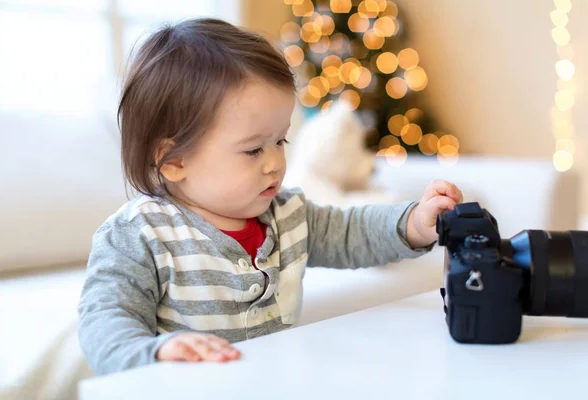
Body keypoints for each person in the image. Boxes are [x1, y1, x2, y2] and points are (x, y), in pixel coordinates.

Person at [77, 18, 463, 375]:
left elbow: (352, 233)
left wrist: (413, 224)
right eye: (252, 150)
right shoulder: (141, 235)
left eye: (280, 141)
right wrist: (155, 353)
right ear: (173, 160)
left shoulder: (288, 214)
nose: (275, 162)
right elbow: (105, 321)